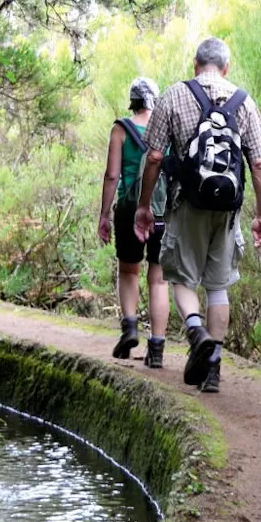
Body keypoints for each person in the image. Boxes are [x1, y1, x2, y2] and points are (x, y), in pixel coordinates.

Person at [134, 37, 261, 393]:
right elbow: (257, 162)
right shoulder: (244, 100)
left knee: (181, 277)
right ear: (226, 67)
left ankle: (196, 332)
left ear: (195, 64)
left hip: (186, 205)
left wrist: (145, 206)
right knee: (218, 286)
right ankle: (213, 371)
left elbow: (153, 157)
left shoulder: (174, 95)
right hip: (227, 212)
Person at [97, 77, 170, 367]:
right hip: (163, 209)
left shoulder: (120, 129)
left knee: (129, 271)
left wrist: (104, 214)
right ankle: (157, 350)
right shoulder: (166, 130)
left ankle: (129, 326)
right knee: (159, 278)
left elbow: (112, 176)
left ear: (133, 101)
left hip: (129, 209)